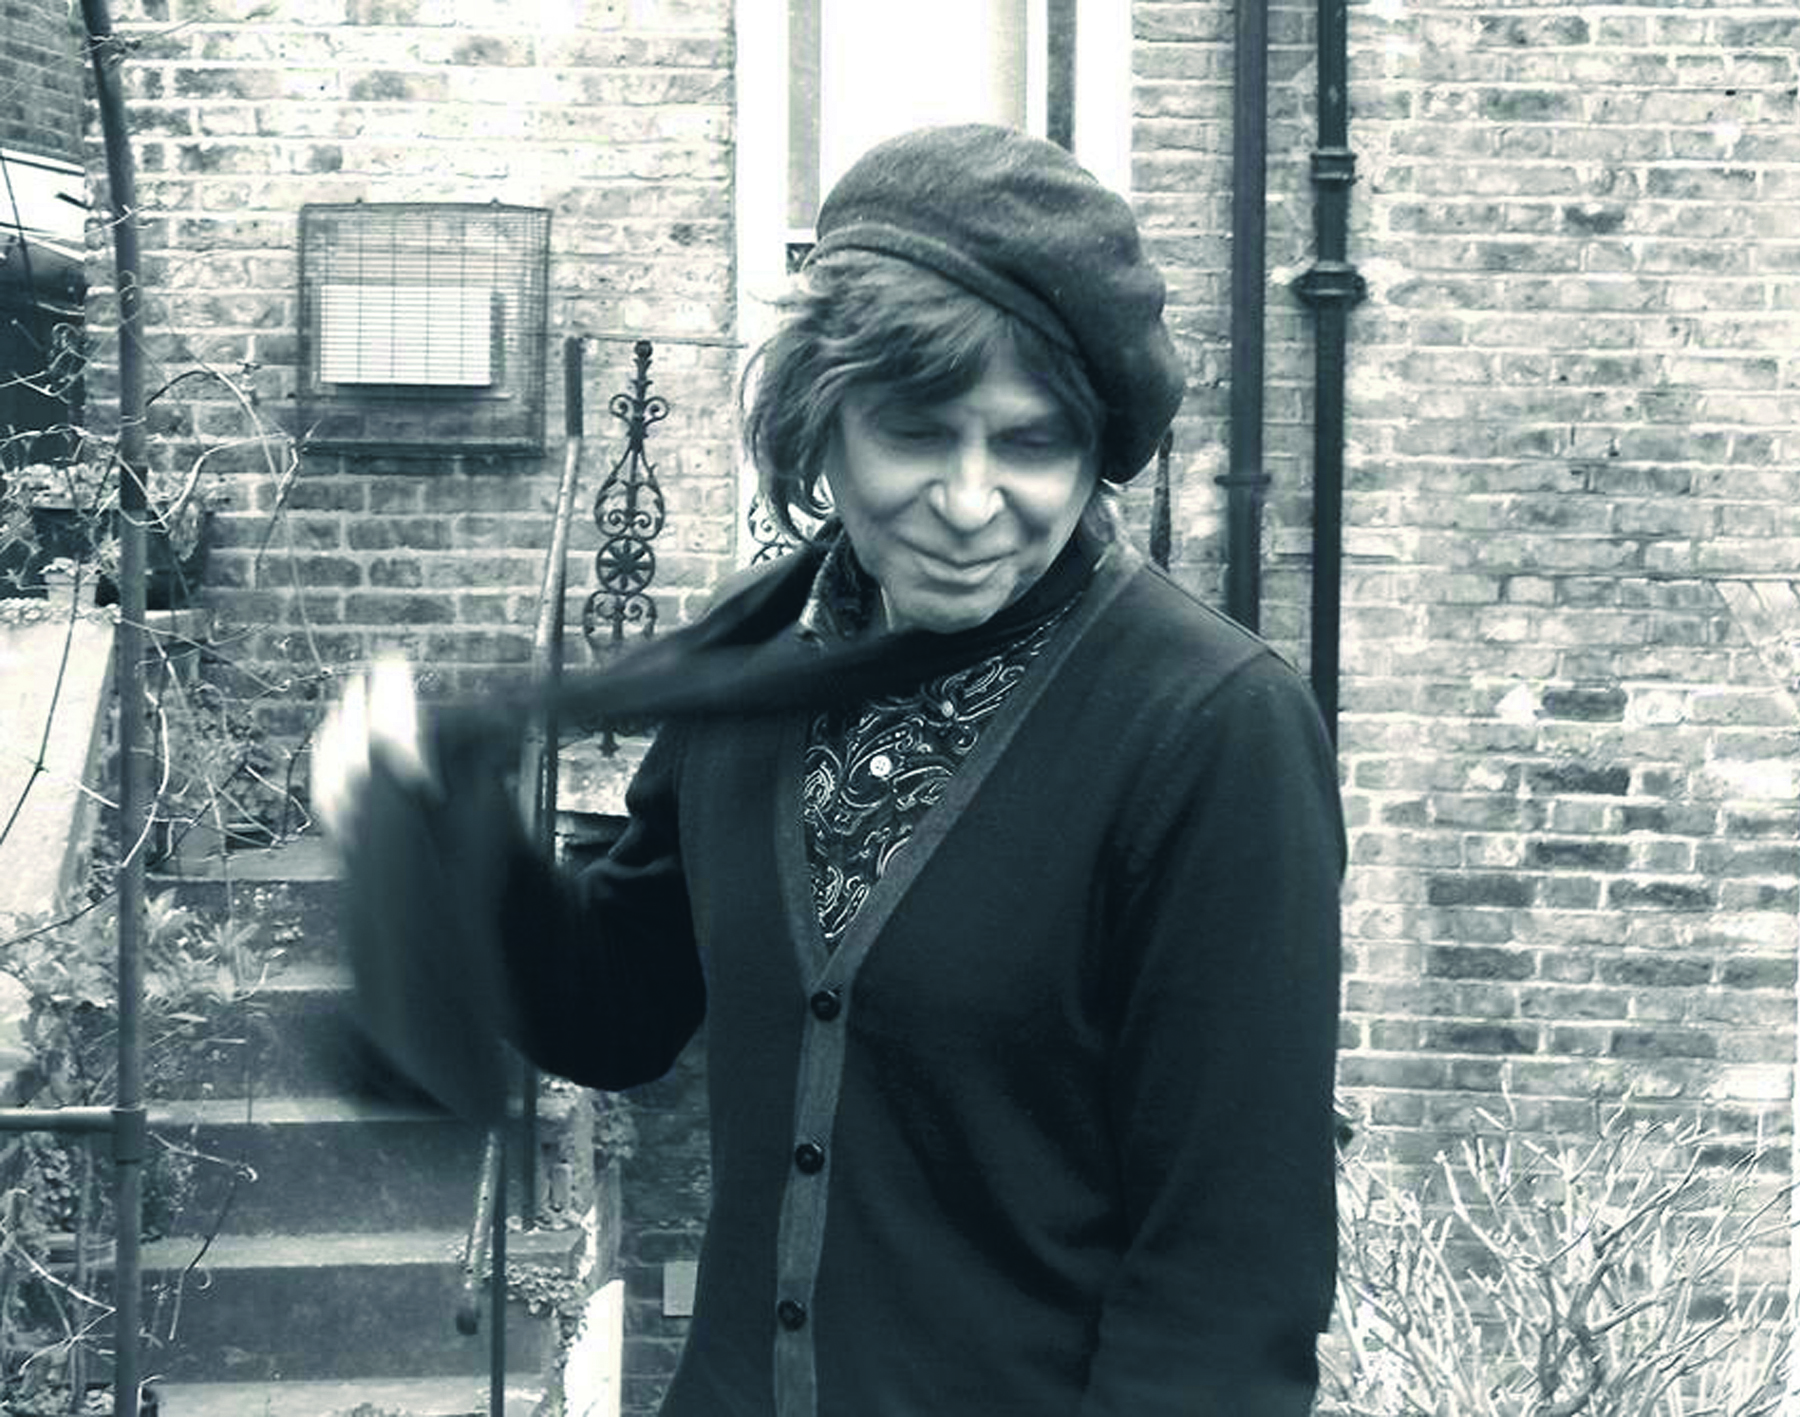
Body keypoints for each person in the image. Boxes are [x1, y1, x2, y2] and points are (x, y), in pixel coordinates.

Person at [314, 123, 1345, 1417]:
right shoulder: (755, 667)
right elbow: (615, 1011)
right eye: (916, 431)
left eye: (1030, 444)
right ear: (824, 420)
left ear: (1093, 453)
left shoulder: (1209, 730)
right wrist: (430, 832)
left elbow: (1228, 1289)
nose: (969, 502)